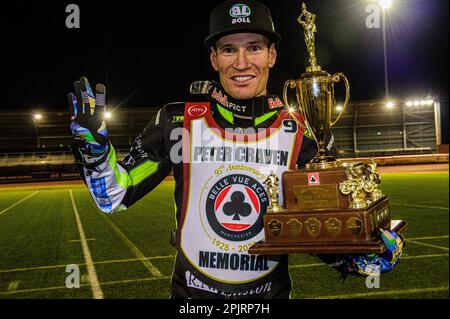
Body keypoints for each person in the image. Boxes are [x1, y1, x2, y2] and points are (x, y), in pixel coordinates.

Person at [68, 0, 404, 299]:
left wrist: (359, 253)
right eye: (229, 49)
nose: (241, 62)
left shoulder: (302, 131)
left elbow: (320, 223)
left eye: (254, 47)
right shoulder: (178, 121)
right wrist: (94, 150)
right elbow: (113, 196)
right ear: (214, 58)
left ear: (271, 55)